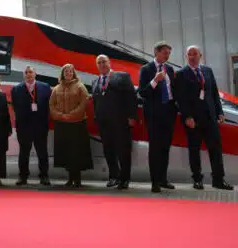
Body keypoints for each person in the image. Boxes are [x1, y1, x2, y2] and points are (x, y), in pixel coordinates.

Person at [175, 45, 233, 190]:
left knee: (216, 149)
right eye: (189, 54)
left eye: (195, 54)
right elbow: (180, 98)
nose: (192, 56)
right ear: (186, 57)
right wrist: (187, 116)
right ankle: (197, 180)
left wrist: (219, 112)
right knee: (194, 150)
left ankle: (218, 180)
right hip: (193, 120)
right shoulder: (181, 74)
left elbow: (214, 93)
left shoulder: (207, 71)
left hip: (210, 117)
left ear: (200, 55)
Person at [91, 55, 137, 189]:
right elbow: (95, 102)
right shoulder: (95, 82)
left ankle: (125, 178)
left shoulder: (122, 76)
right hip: (103, 123)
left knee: (123, 150)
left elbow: (131, 97)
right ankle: (113, 176)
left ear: (109, 62)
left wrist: (132, 116)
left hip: (121, 121)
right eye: (99, 62)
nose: (102, 64)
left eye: (104, 61)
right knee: (108, 150)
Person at [138, 41, 177, 193]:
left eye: (169, 53)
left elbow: (173, 90)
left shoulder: (170, 69)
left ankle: (163, 179)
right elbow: (142, 92)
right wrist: (155, 81)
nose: (167, 55)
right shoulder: (146, 69)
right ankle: (155, 182)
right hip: (154, 114)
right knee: (155, 148)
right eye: (165, 52)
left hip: (169, 113)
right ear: (156, 52)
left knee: (165, 148)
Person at [49, 64, 93, 187]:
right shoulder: (57, 88)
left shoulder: (80, 86)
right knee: (66, 152)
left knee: (76, 153)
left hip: (77, 125)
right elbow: (51, 104)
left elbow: (84, 102)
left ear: (73, 73)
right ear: (62, 74)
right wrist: (59, 115)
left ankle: (77, 179)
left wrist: (71, 115)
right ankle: (70, 178)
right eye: (66, 71)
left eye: (70, 71)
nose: (68, 73)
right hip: (62, 125)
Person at [11, 66, 51, 186]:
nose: (29, 74)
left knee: (42, 152)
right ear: (24, 75)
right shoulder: (16, 89)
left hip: (40, 126)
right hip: (24, 127)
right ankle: (23, 177)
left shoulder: (45, 87)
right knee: (24, 153)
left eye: (31, 72)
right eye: (26, 73)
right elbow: (15, 108)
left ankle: (44, 176)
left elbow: (49, 107)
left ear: (35, 74)